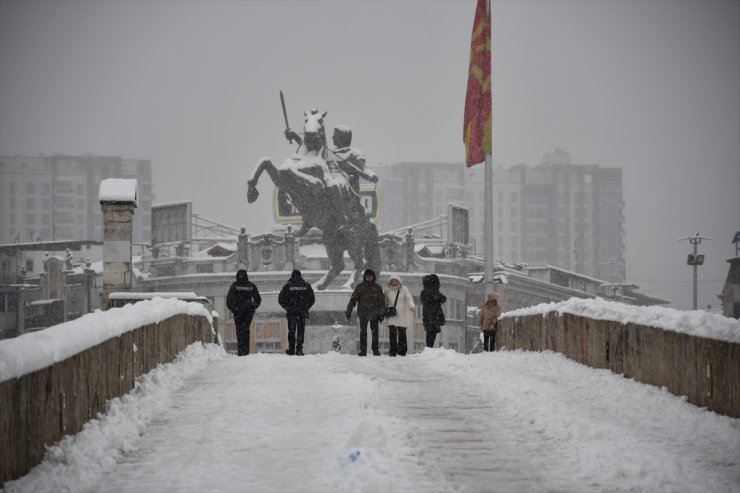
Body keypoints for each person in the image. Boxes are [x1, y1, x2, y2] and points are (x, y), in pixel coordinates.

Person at [345, 269, 386, 356]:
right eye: (367, 276)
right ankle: (363, 350)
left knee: (375, 333)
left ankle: (375, 350)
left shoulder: (378, 287)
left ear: (373, 277)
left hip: (374, 313)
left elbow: (382, 302)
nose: (368, 278)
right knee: (363, 332)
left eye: (370, 276)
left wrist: (382, 313)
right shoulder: (360, 287)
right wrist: (349, 310)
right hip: (363, 313)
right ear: (365, 277)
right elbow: (353, 300)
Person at [278, 269, 316, 356]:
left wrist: (288, 308)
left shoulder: (287, 286)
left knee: (291, 331)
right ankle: (299, 349)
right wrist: (305, 308)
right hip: (302, 313)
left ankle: (291, 349)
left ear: (292, 276)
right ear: (300, 275)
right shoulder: (306, 286)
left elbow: (280, 299)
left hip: (291, 313)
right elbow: (312, 299)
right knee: (300, 331)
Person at [226, 269, 262, 356]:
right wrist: (253, 307)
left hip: (238, 312)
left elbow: (229, 300)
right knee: (246, 330)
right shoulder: (251, 286)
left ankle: (241, 351)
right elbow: (258, 299)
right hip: (248, 312)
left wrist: (233, 308)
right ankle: (246, 351)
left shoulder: (234, 286)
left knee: (239, 331)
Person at [384, 273, 416, 356]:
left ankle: (402, 351)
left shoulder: (404, 289)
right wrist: (382, 311)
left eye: (396, 281)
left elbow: (409, 298)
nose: (394, 282)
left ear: (399, 281)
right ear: (390, 281)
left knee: (402, 334)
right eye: (392, 281)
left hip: (402, 315)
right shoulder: (387, 290)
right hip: (392, 314)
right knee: (392, 334)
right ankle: (393, 351)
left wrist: (412, 306)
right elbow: (384, 302)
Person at [420, 274, 446, 348]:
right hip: (435, 315)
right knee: (432, 333)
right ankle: (429, 348)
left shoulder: (424, 291)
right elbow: (443, 299)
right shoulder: (435, 291)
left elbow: (423, 301)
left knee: (429, 332)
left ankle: (429, 347)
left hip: (428, 315)